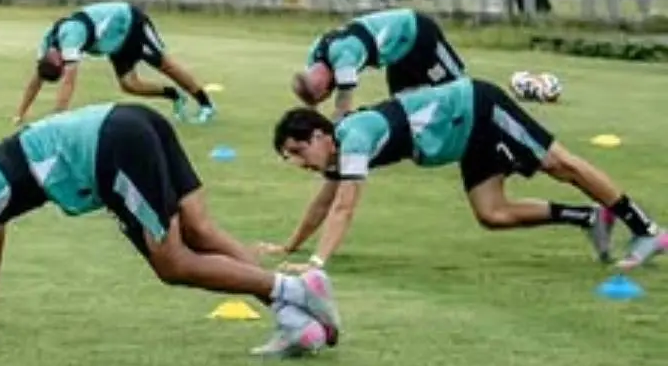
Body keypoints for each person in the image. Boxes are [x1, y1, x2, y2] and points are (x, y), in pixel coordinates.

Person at [0, 103, 343, 358]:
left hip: (109, 147)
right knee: (201, 232)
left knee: (172, 262)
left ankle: (296, 289)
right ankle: (292, 316)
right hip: (132, 120)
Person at [269, 78, 666, 272]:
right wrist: (290, 246)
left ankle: (647, 230)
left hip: (477, 108)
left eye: (300, 151)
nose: (302, 162)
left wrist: (317, 264)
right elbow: (325, 200)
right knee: (491, 213)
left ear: (320, 135)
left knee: (562, 165)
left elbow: (343, 207)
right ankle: (589, 218)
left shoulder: (354, 137)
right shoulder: (341, 150)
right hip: (465, 137)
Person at [16, 1, 217, 125]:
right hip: (114, 43)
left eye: (60, 63)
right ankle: (174, 96)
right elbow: (36, 80)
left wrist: (57, 117)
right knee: (129, 85)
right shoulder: (45, 48)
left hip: (129, 23)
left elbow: (69, 81)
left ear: (60, 61)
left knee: (165, 65)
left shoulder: (70, 38)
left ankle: (206, 104)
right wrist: (20, 114)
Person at [294, 8, 466, 115]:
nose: (328, 95)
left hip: (417, 34)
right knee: (405, 105)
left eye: (325, 95)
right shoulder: (314, 57)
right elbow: (312, 93)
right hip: (397, 54)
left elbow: (344, 102)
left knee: (457, 89)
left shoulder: (343, 55)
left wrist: (335, 125)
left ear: (325, 88)